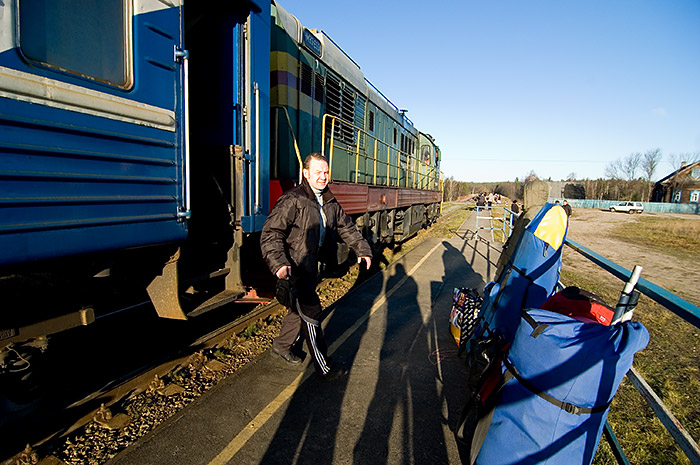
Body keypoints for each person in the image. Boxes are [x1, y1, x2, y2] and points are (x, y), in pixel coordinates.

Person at [260, 153, 373, 380]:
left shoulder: (329, 200)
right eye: (318, 172)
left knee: (298, 309)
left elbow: (346, 227)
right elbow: (271, 233)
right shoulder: (293, 199)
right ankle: (324, 367)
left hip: (312, 264)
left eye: (326, 172)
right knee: (311, 313)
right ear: (306, 173)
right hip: (295, 266)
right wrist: (280, 264)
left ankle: (281, 346)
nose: (323, 176)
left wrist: (362, 249)